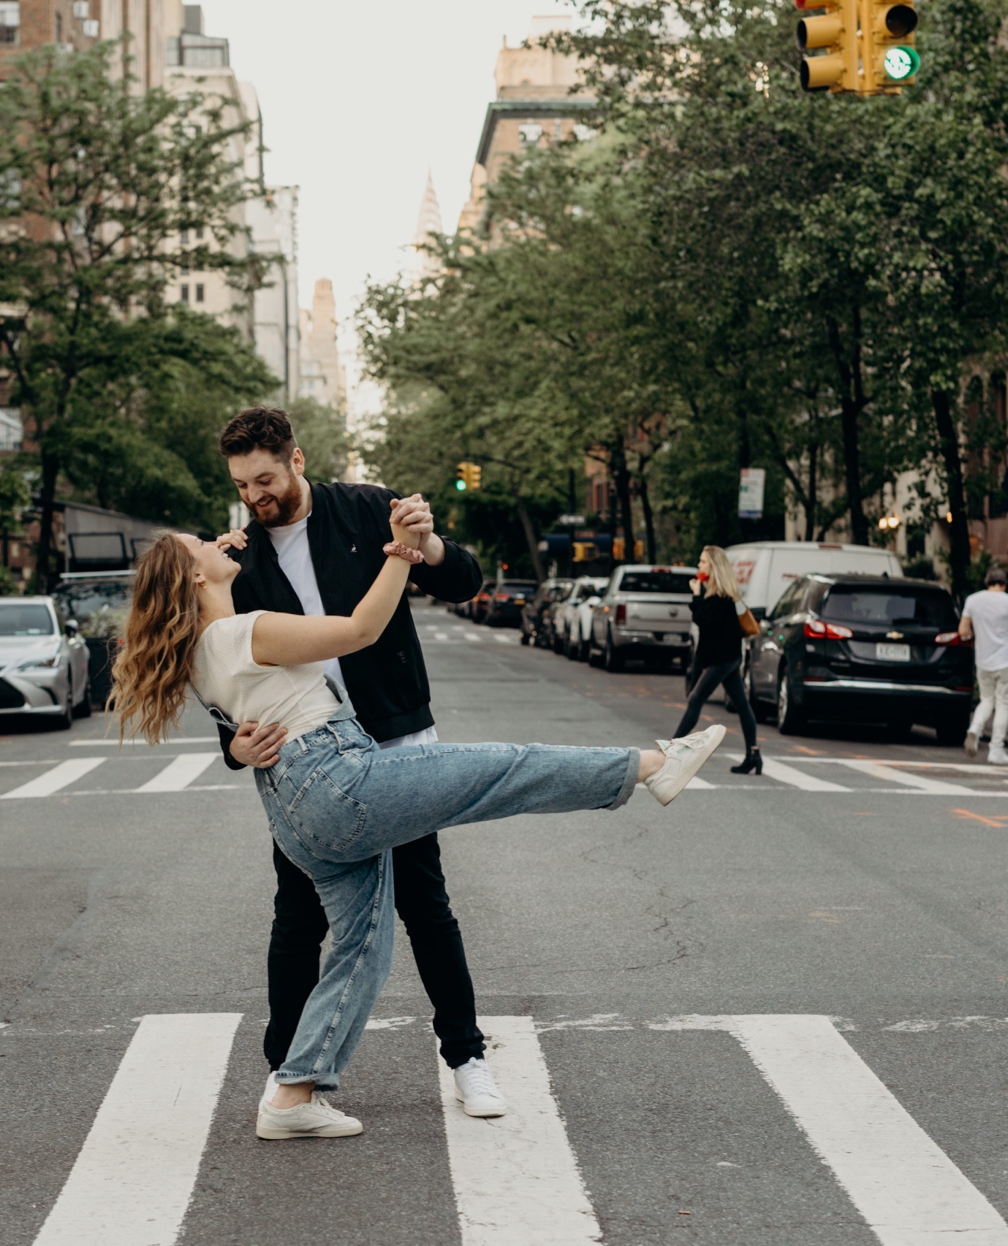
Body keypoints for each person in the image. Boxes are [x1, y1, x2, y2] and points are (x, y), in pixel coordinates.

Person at [112, 515, 727, 1140]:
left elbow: (210, 591)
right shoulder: (248, 630)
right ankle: (651, 766)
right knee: (502, 770)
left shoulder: (202, 646)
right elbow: (359, 630)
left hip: (296, 807)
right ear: (192, 573)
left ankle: (293, 1094)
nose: (216, 537)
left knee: (362, 947)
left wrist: (205, 553)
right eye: (199, 544)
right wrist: (402, 554)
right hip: (337, 780)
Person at [208, 406, 501, 1121]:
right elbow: (227, 672)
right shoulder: (238, 557)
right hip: (307, 758)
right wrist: (232, 745)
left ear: (297, 460)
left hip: (393, 740)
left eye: (266, 479)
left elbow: (465, 580)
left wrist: (426, 544)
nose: (255, 496)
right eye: (243, 484)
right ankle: (286, 1071)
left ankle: (466, 1057)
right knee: (298, 916)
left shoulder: (369, 509)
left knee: (425, 904)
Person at [671, 544, 761, 775]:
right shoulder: (721, 595)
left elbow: (704, 622)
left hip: (722, 659)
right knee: (741, 704)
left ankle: (670, 753)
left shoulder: (719, 597)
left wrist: (695, 595)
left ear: (713, 566)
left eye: (702, 562)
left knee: (695, 698)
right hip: (729, 658)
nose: (699, 565)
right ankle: (754, 754)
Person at [959, 565, 1008, 765]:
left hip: (983, 659)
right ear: (1005, 583)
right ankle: (996, 749)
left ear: (987, 582)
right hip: (1005, 659)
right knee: (1003, 704)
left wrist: (978, 633)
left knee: (986, 700)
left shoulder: (972, 600)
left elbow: (963, 630)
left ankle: (975, 729)